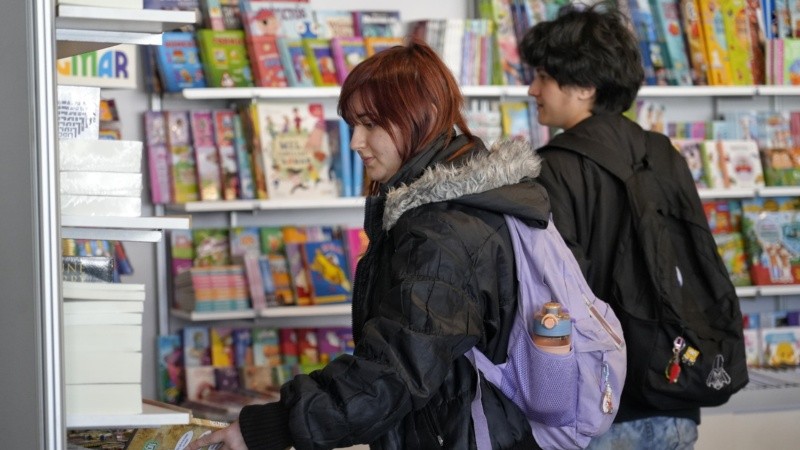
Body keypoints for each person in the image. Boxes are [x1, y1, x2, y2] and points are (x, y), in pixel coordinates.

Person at [189, 38, 551, 450]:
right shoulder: (464, 207)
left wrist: (272, 425)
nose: (355, 142)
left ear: (423, 116)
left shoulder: (442, 233)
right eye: (352, 125)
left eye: (371, 124)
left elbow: (392, 373)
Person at [518, 2, 700, 449]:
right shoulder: (663, 153)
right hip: (675, 397)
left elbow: (555, 297)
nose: (531, 89)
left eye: (542, 75)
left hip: (598, 402)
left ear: (583, 86)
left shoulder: (552, 168)